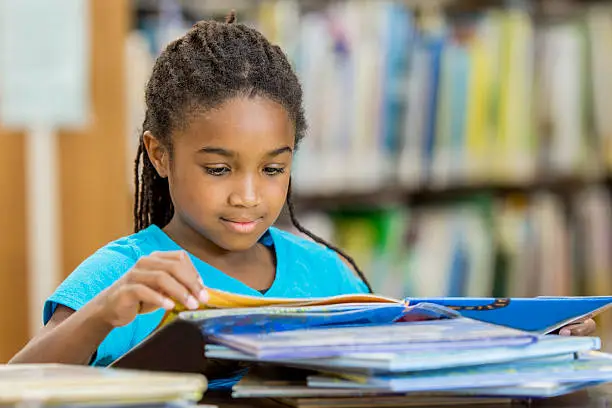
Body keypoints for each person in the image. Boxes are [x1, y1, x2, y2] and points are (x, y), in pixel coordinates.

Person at [9, 11, 595, 390]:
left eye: (273, 169)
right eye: (218, 168)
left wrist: (527, 349)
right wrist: (102, 313)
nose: (247, 195)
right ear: (159, 156)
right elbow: (17, 385)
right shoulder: (121, 278)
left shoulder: (324, 272)